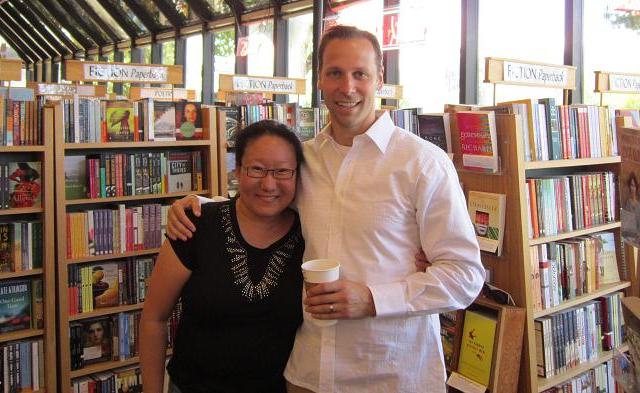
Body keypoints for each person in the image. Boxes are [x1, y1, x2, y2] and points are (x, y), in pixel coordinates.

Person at [167, 25, 485, 392]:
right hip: (309, 373)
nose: (346, 87)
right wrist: (201, 207)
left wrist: (371, 299)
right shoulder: (306, 159)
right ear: (319, 78)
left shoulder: (423, 163)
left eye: (360, 74)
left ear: (379, 79)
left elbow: (464, 276)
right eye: (335, 72)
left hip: (392, 373)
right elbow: (266, 202)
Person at [140, 120, 306, 393]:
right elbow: (153, 319)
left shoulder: (310, 236)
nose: (268, 183)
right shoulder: (194, 225)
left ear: (297, 176)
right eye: (257, 169)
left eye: (282, 171)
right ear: (237, 170)